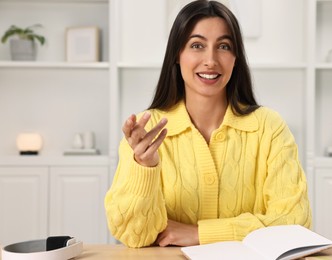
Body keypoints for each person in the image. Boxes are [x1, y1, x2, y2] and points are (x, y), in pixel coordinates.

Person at [105, 0, 312, 248]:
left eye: (223, 46)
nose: (211, 60)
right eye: (197, 45)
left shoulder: (269, 127)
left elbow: (294, 223)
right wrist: (144, 167)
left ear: (236, 59)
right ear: (177, 56)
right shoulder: (145, 134)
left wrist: (200, 234)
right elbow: (134, 235)